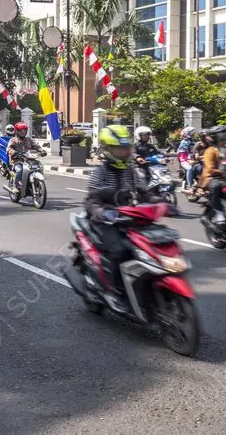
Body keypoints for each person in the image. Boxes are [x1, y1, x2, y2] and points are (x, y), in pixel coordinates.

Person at [85, 125, 154, 313]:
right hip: (105, 221)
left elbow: (144, 191)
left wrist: (159, 202)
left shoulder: (131, 170)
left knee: (151, 245)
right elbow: (92, 201)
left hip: (130, 218)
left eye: (125, 148)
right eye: (118, 148)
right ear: (107, 149)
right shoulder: (99, 173)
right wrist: (102, 212)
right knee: (119, 250)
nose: (123, 152)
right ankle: (114, 291)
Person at [6, 122, 39, 189]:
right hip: (17, 161)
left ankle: (36, 184)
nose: (23, 132)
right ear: (17, 131)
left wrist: (42, 150)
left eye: (24, 130)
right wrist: (14, 152)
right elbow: (9, 149)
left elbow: (36, 146)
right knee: (20, 170)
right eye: (21, 130)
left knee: (38, 167)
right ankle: (16, 186)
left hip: (28, 160)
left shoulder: (29, 140)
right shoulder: (13, 140)